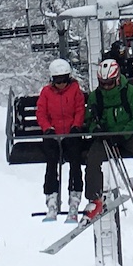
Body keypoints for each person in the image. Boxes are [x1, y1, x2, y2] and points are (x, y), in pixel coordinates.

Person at [83, 55, 133, 210]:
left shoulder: (130, 92)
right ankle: (94, 197)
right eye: (103, 84)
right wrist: (96, 129)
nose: (106, 87)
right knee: (93, 158)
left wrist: (124, 133)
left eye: (109, 83)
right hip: (105, 137)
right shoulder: (96, 96)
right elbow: (89, 119)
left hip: (127, 135)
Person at [36, 58, 87, 214]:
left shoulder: (75, 90)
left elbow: (79, 109)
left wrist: (76, 126)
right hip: (53, 134)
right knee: (51, 160)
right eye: (57, 81)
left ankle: (75, 194)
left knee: (75, 159)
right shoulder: (46, 93)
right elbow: (41, 112)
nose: (61, 84)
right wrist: (47, 128)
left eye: (63, 80)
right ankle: (51, 196)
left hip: (71, 133)